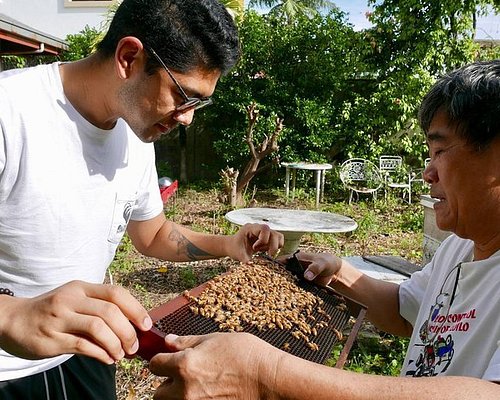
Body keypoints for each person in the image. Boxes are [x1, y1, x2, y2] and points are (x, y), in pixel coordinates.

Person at [148, 59, 500, 399]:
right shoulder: (458, 247)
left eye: (439, 150)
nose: (427, 172)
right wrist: (339, 274)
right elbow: (404, 311)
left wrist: (268, 376)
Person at [0, 0, 283, 398]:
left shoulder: (134, 132)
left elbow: (152, 234)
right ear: (129, 57)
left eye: (200, 103)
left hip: (87, 351)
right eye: (185, 95)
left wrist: (230, 245)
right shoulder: (9, 112)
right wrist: (10, 315)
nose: (188, 117)